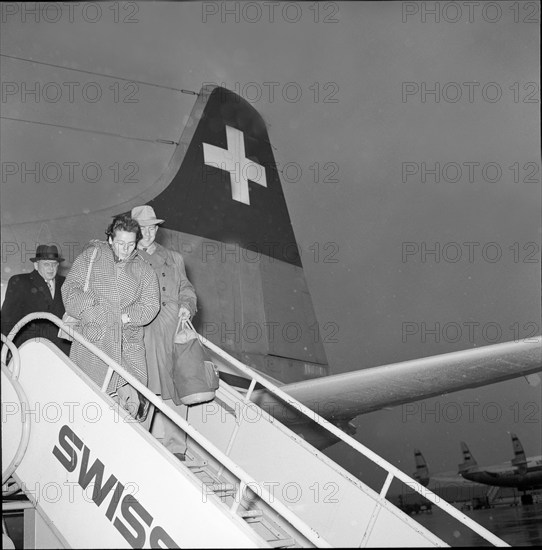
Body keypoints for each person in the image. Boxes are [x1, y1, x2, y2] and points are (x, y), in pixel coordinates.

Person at [62, 214, 160, 417]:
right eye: (120, 243)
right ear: (110, 240)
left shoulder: (144, 269)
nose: (125, 249)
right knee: (85, 402)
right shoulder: (92, 256)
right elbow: (70, 289)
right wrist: (93, 309)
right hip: (92, 339)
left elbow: (151, 305)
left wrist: (126, 317)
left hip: (127, 345)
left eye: (131, 244)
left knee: (132, 408)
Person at [131, 205, 197, 457]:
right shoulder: (125, 257)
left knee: (174, 388)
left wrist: (186, 307)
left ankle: (176, 449)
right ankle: (136, 449)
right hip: (139, 331)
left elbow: (187, 289)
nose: (148, 233)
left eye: (152, 227)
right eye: (142, 228)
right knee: (140, 388)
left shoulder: (174, 258)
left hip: (170, 329)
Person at [1, 244, 71, 356]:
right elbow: (7, 317)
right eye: (46, 264)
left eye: (54, 264)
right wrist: (6, 348)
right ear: (36, 265)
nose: (51, 268)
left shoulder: (66, 283)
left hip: (61, 352)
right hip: (30, 349)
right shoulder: (20, 282)